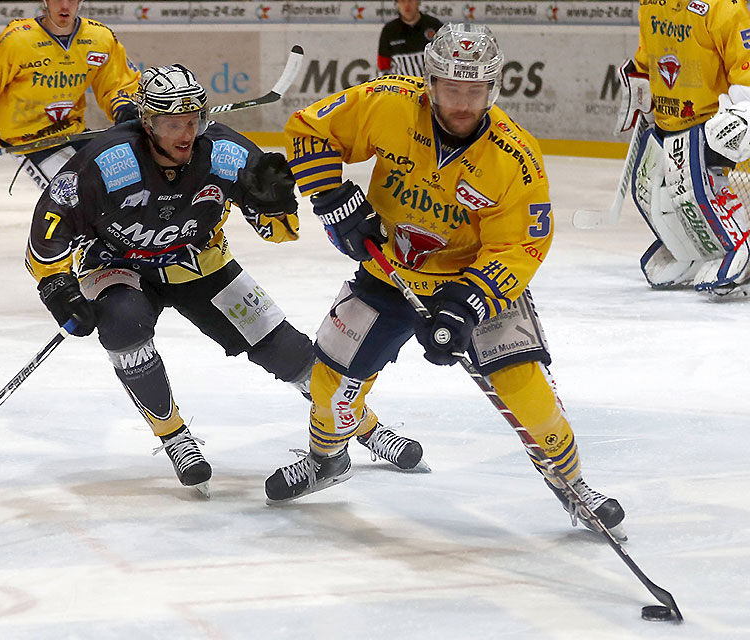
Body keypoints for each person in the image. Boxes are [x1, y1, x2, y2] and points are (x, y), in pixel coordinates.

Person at [266, 23, 626, 540]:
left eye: (474, 91)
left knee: (530, 398)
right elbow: (308, 129)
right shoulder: (389, 103)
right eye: (451, 89)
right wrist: (332, 200)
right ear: (430, 82)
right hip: (390, 272)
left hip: (471, 284)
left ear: (492, 89)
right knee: (327, 386)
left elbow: (521, 246)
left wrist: (466, 307)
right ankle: (327, 460)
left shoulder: (514, 159)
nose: (462, 103)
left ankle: (572, 485)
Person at [25, 64, 425, 496]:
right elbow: (51, 224)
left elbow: (279, 232)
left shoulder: (225, 152)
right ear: (146, 122)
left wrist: (276, 204)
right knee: (123, 325)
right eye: (172, 123)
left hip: (200, 264)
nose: (185, 133)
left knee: (290, 354)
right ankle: (174, 435)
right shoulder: (111, 159)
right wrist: (56, 286)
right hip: (117, 264)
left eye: (192, 120)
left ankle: (364, 427)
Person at [616, 0, 750, 299]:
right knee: (648, 187)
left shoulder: (723, 6)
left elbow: (745, 64)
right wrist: (639, 88)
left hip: (709, 122)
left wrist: (744, 111)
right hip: (667, 118)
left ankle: (739, 242)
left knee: (692, 185)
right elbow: (647, 56)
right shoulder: (651, 4)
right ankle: (688, 248)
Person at [0, 0, 141, 190]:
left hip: (73, 133)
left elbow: (119, 83)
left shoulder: (100, 38)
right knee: (75, 197)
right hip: (28, 141)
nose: (64, 6)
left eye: (71, 0)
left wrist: (124, 108)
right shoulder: (17, 39)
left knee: (126, 183)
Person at [376, 0, 443, 77]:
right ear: (397, 3)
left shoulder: (434, 25)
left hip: (431, 86)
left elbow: (447, 58)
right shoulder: (389, 30)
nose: (407, 5)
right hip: (402, 87)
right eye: (402, 1)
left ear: (418, 1)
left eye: (411, 0)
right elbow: (383, 66)